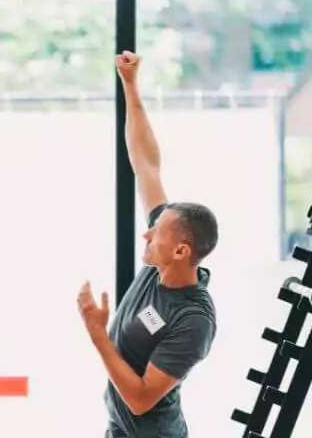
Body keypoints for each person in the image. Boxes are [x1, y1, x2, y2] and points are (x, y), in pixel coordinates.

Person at [77, 51, 218, 438]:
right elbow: (146, 164)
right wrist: (130, 86)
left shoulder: (193, 321)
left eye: (156, 234)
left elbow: (140, 399)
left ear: (181, 251)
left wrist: (97, 334)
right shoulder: (160, 265)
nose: (147, 233)